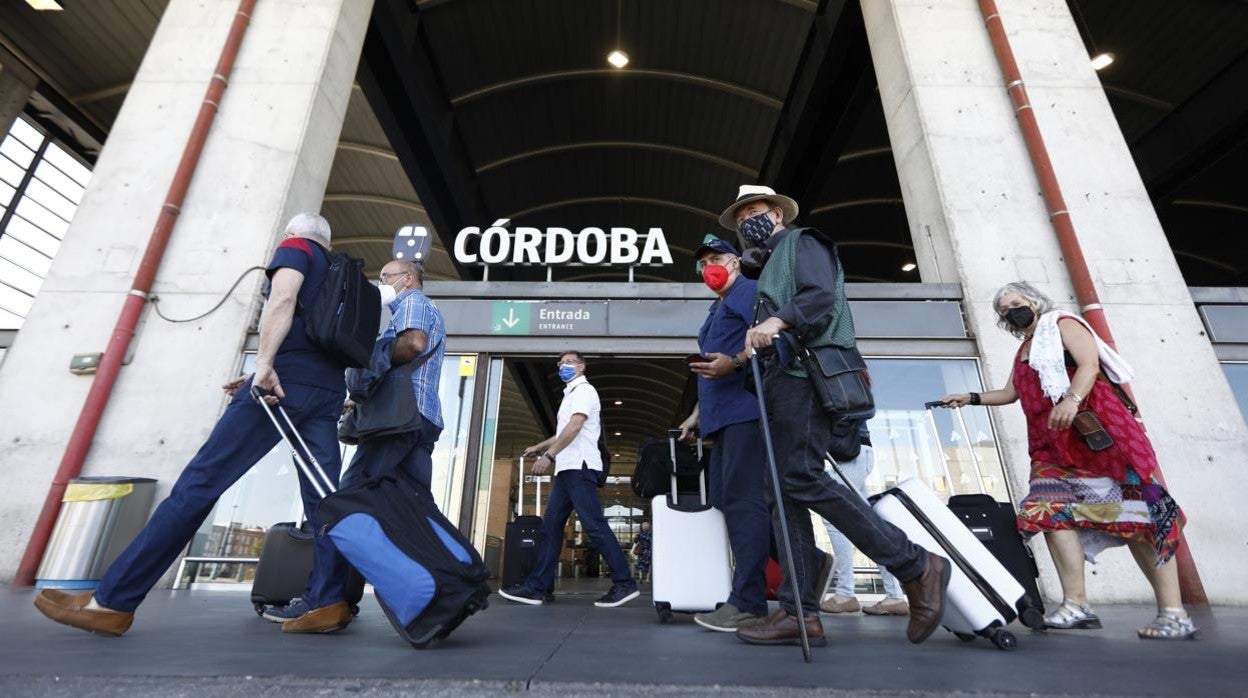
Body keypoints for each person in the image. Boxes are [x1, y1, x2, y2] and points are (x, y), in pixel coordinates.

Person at [34, 213, 355, 636]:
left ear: (292, 235)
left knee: (198, 485)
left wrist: (262, 366)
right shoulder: (341, 273)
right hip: (325, 392)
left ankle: (111, 601)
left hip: (279, 389)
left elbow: (282, 301)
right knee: (324, 503)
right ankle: (328, 601)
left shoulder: (296, 250)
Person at [722, 184, 951, 648]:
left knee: (801, 477)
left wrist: (775, 321)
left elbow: (819, 296)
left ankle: (915, 564)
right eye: (742, 214)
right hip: (782, 378)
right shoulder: (766, 270)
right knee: (780, 494)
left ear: (778, 214)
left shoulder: (804, 242)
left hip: (807, 376)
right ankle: (799, 613)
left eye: (756, 210)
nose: (748, 219)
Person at [937, 281, 1196, 640]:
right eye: (1003, 310)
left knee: (1138, 520)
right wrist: (970, 397)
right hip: (1052, 447)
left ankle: (1174, 613)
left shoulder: (1063, 324)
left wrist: (1071, 400)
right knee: (1047, 511)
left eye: (1016, 303)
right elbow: (1011, 393)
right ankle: (1076, 604)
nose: (1011, 311)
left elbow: (1089, 365)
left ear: (1034, 300)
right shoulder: (1026, 347)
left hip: (1098, 439)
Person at [261, 258, 446, 622]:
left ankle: (323, 600)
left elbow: (413, 343)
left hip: (397, 422)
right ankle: (446, 589)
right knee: (418, 509)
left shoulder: (412, 302)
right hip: (420, 420)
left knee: (343, 505)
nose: (383, 283)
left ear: (408, 279)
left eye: (387, 276)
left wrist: (367, 365)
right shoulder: (428, 309)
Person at [678, 234, 831, 632]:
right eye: (702, 262)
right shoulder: (718, 306)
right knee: (732, 501)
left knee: (745, 503)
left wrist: (735, 362)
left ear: (734, 261)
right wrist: (696, 415)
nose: (708, 267)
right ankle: (808, 561)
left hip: (747, 412)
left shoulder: (748, 291)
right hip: (720, 417)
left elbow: (767, 341)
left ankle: (747, 601)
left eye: (716, 258)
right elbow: (715, 366)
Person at [499, 351, 640, 607]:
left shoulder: (585, 391)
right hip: (566, 470)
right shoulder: (570, 395)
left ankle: (625, 583)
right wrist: (539, 446)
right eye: (560, 362)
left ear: (582, 367)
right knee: (550, 529)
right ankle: (536, 588)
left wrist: (548, 456)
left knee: (594, 525)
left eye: (569, 362)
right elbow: (563, 431)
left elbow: (575, 427)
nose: (563, 365)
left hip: (579, 467)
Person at [820, 420, 910, 616]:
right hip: (856, 452)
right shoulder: (854, 388)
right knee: (869, 523)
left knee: (833, 515)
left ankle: (845, 594)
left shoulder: (840, 388)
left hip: (850, 454)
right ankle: (894, 596)